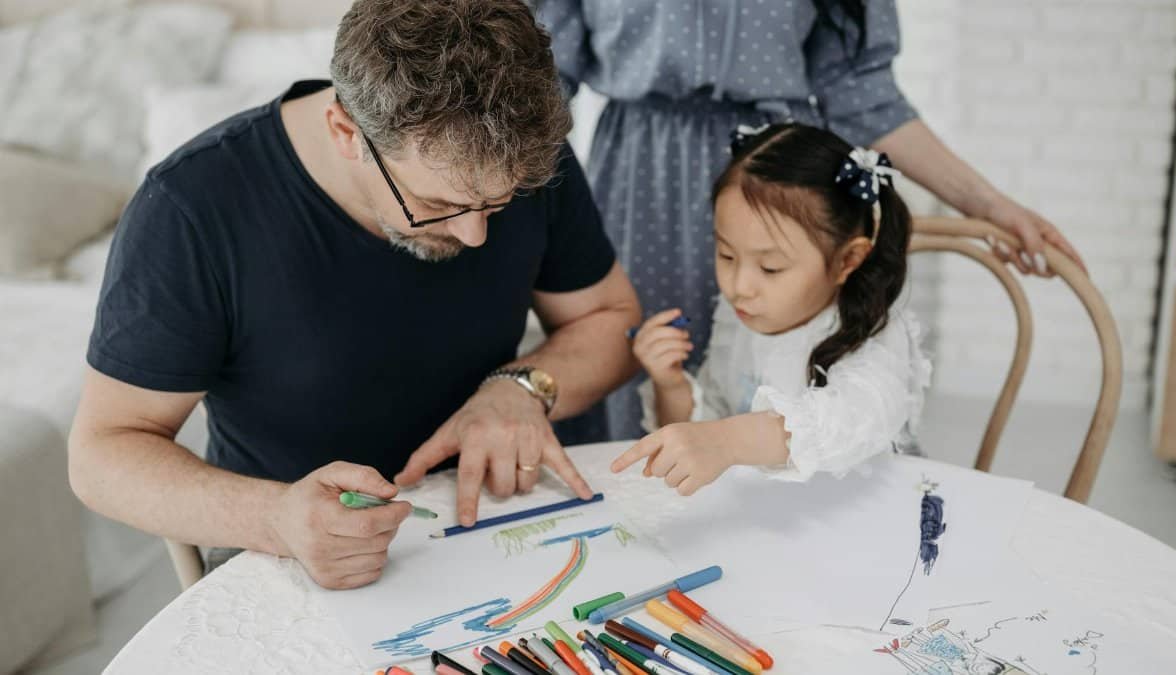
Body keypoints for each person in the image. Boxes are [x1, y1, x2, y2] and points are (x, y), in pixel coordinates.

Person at [68, 0, 641, 589]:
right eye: (438, 205)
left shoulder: (517, 153)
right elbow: (102, 455)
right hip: (295, 555)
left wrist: (521, 390)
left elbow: (613, 320)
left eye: (498, 204)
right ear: (347, 132)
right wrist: (276, 518)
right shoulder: (192, 208)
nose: (475, 235)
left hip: (497, 520)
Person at [536, 0, 1085, 442]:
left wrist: (988, 204)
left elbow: (863, 93)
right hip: (642, 185)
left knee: (808, 374)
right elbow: (540, 79)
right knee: (651, 366)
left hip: (785, 182)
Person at [612, 123, 930, 495]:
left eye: (770, 268)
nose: (739, 287)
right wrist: (671, 386)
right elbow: (708, 429)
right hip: (767, 510)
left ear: (847, 260)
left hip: (865, 510)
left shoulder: (873, 333)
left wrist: (727, 440)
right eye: (726, 255)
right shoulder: (741, 316)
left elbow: (851, 420)